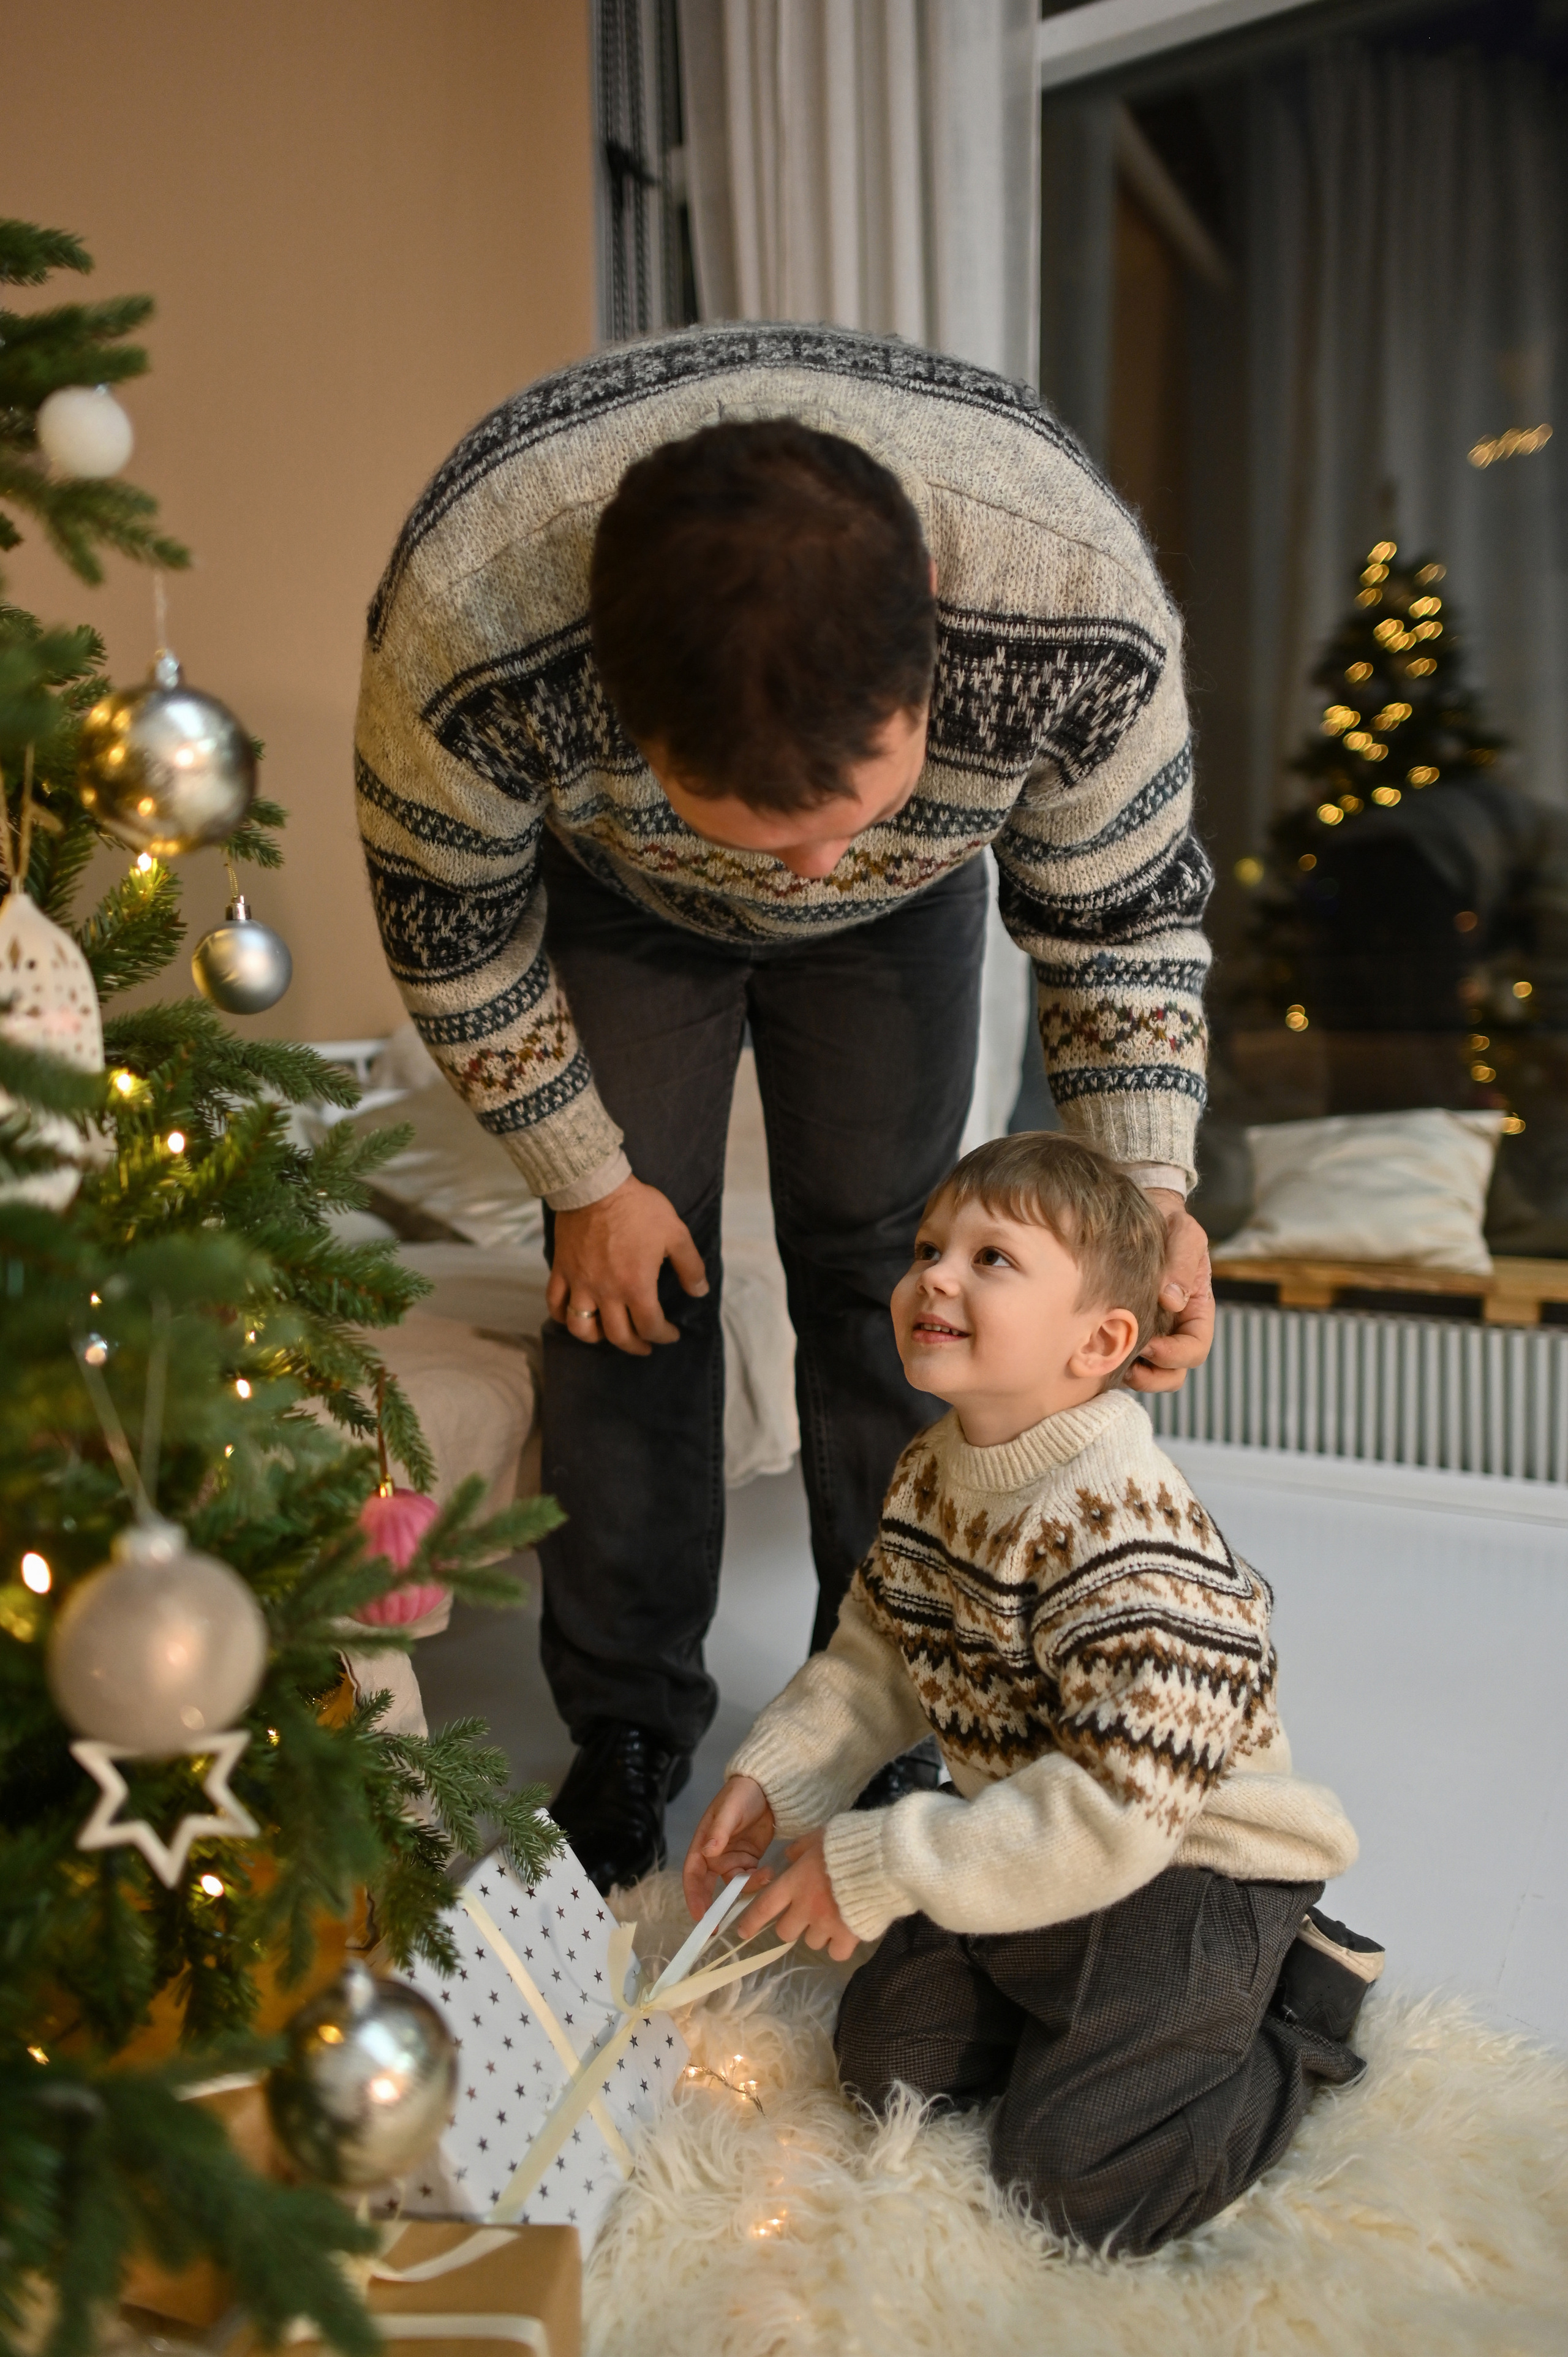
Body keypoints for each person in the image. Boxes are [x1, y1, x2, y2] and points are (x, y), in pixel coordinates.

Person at [356, 324, 1216, 1894]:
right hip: (612, 900)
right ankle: (624, 1724)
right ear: (628, 714)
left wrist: (1144, 1194)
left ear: (927, 679)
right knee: (627, 1287)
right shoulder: (473, 612)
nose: (805, 868)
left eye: (850, 803)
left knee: (889, 1265)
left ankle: (895, 1701)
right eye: (758, 821)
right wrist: (582, 1174)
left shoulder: (1071, 600)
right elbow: (447, 922)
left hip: (917, 916)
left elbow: (1120, 924)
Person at [685, 1133, 1380, 2256]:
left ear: (1099, 1341)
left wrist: (889, 1864)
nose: (936, 1278)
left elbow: (1114, 1814)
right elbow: (878, 1656)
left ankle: (1289, 2019)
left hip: (1187, 1867)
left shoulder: (1130, 1538)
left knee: (1078, 2180)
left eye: (991, 1259)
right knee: (886, 2064)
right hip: (1036, 1836)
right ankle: (1080, 2016)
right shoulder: (934, 1469)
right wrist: (784, 1778)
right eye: (928, 1248)